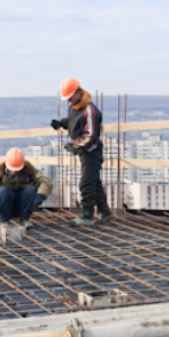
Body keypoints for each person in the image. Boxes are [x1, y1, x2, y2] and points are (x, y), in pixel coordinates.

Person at [51, 77, 111, 226]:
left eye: (70, 97)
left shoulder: (90, 111)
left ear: (78, 92)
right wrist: (62, 123)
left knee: (86, 183)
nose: (68, 100)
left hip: (92, 152)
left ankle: (87, 216)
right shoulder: (75, 106)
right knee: (94, 183)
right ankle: (105, 213)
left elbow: (90, 135)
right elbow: (73, 121)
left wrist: (75, 145)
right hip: (85, 152)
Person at [0, 147, 53, 230]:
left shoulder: (28, 169)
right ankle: (4, 222)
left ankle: (24, 220)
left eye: (17, 169)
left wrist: (41, 195)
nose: (14, 171)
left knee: (30, 189)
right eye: (12, 169)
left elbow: (46, 181)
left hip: (21, 206)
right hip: (4, 206)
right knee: (3, 191)